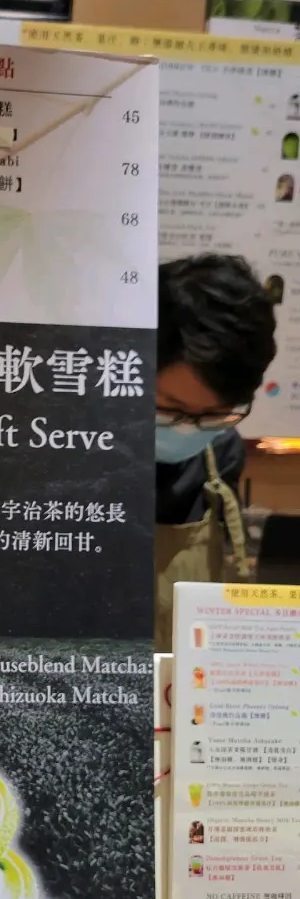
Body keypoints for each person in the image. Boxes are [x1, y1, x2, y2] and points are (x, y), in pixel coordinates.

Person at [155, 254, 277, 649]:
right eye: (170, 409)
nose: (189, 428)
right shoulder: (78, 446)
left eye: (215, 414)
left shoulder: (221, 451)